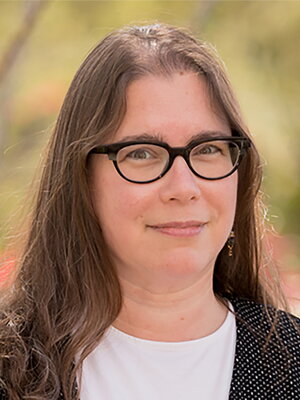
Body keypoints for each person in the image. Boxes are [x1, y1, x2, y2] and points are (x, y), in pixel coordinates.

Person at [0, 23, 299, 400]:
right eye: (141, 153)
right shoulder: (8, 366)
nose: (183, 188)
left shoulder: (293, 366)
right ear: (80, 179)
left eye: (208, 149)